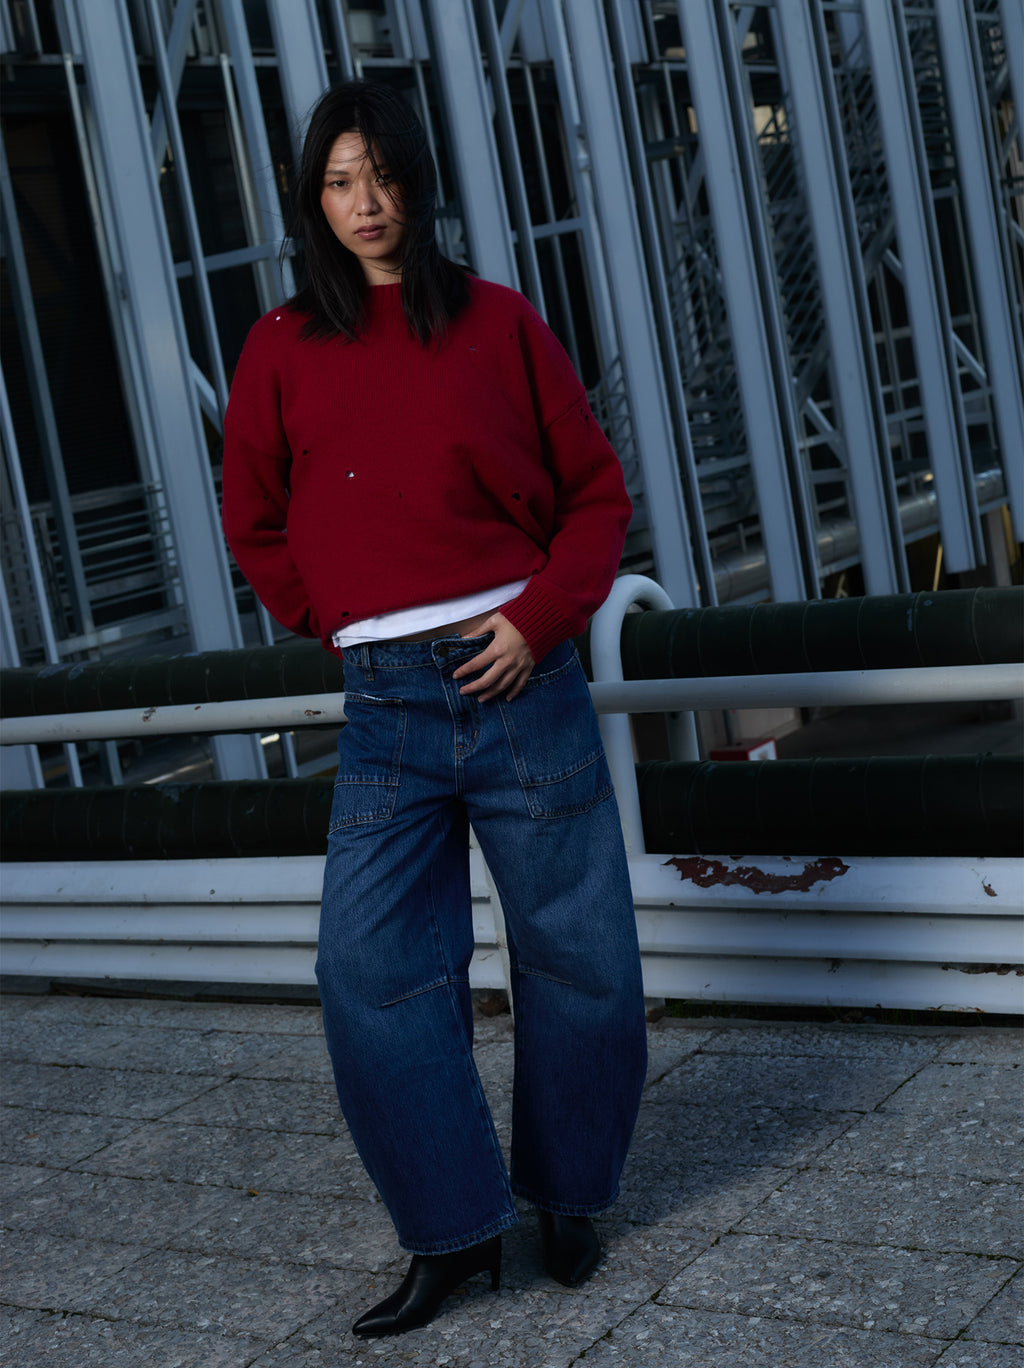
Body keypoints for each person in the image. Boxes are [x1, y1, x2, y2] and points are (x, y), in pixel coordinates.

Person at [221, 80, 647, 1338]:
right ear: (313, 198)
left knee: (578, 955)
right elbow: (254, 520)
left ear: (420, 183)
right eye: (339, 180)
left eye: (385, 176)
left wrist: (537, 620)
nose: (366, 203)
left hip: (522, 677)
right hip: (386, 705)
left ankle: (568, 1198)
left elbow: (594, 496)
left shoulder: (501, 323)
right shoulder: (279, 347)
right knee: (367, 969)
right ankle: (454, 1231)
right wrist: (341, 623)